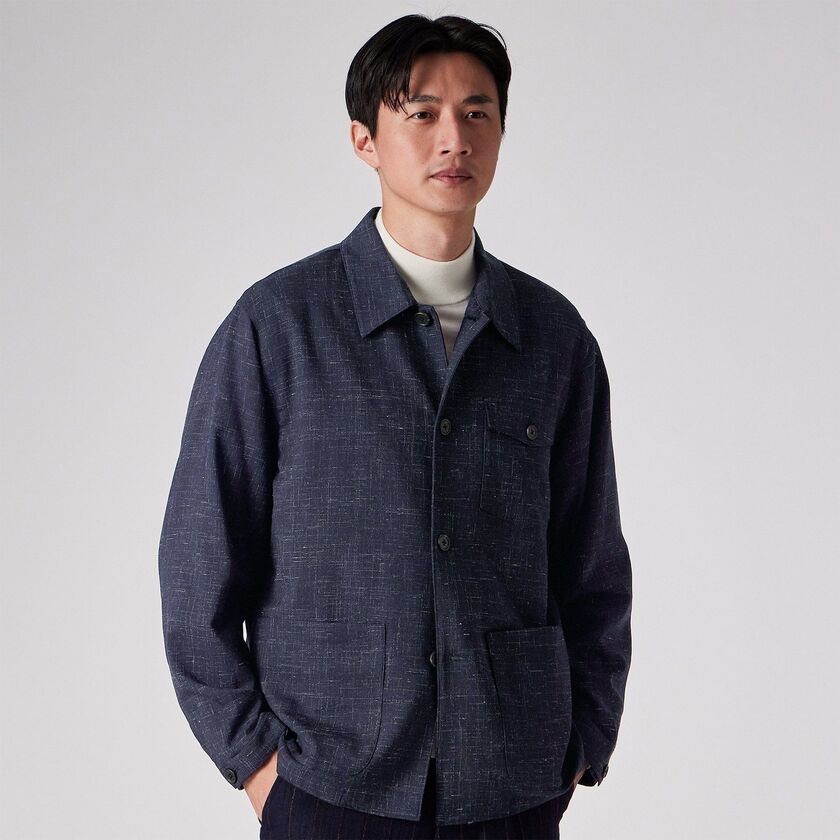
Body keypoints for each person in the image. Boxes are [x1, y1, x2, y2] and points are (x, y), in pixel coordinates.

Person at [158, 13, 632, 840]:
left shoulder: (553, 338)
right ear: (364, 140)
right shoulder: (279, 326)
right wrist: (258, 767)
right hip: (329, 790)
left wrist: (582, 742)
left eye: (478, 113)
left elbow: (592, 566)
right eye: (422, 113)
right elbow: (199, 565)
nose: (455, 138)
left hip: (512, 790)